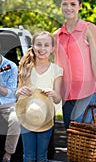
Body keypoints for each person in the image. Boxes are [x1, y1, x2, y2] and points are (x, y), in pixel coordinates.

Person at [54, 0, 96, 129]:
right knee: (71, 137)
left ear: (80, 6)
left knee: (80, 134)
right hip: (67, 96)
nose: (68, 8)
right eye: (65, 4)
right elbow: (55, 69)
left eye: (73, 4)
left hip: (88, 93)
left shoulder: (89, 29)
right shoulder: (56, 35)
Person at [16, 31, 63, 162]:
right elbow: (18, 92)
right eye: (39, 44)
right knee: (28, 156)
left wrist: (53, 93)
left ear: (52, 49)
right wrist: (20, 92)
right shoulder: (26, 68)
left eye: (46, 45)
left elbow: (58, 98)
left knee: (42, 156)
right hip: (27, 114)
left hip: (46, 115)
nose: (42, 49)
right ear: (33, 46)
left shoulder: (56, 70)